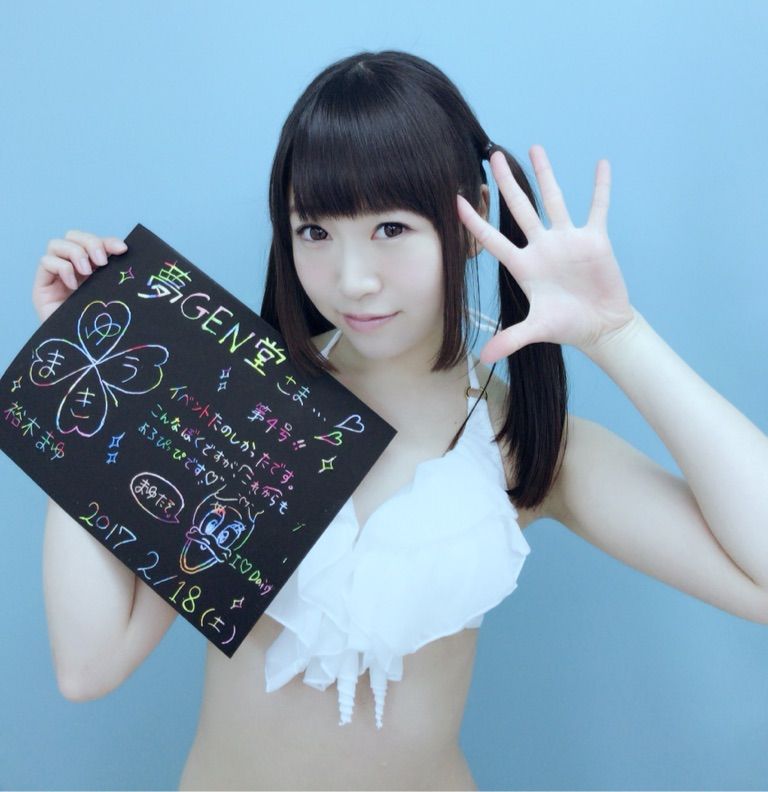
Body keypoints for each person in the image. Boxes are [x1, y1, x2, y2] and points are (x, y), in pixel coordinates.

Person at [32, 50, 768, 791]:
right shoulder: (236, 399)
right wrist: (78, 364)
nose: (353, 279)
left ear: (471, 216)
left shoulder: (518, 443)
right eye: (315, 231)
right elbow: (90, 665)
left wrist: (618, 334)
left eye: (390, 228)